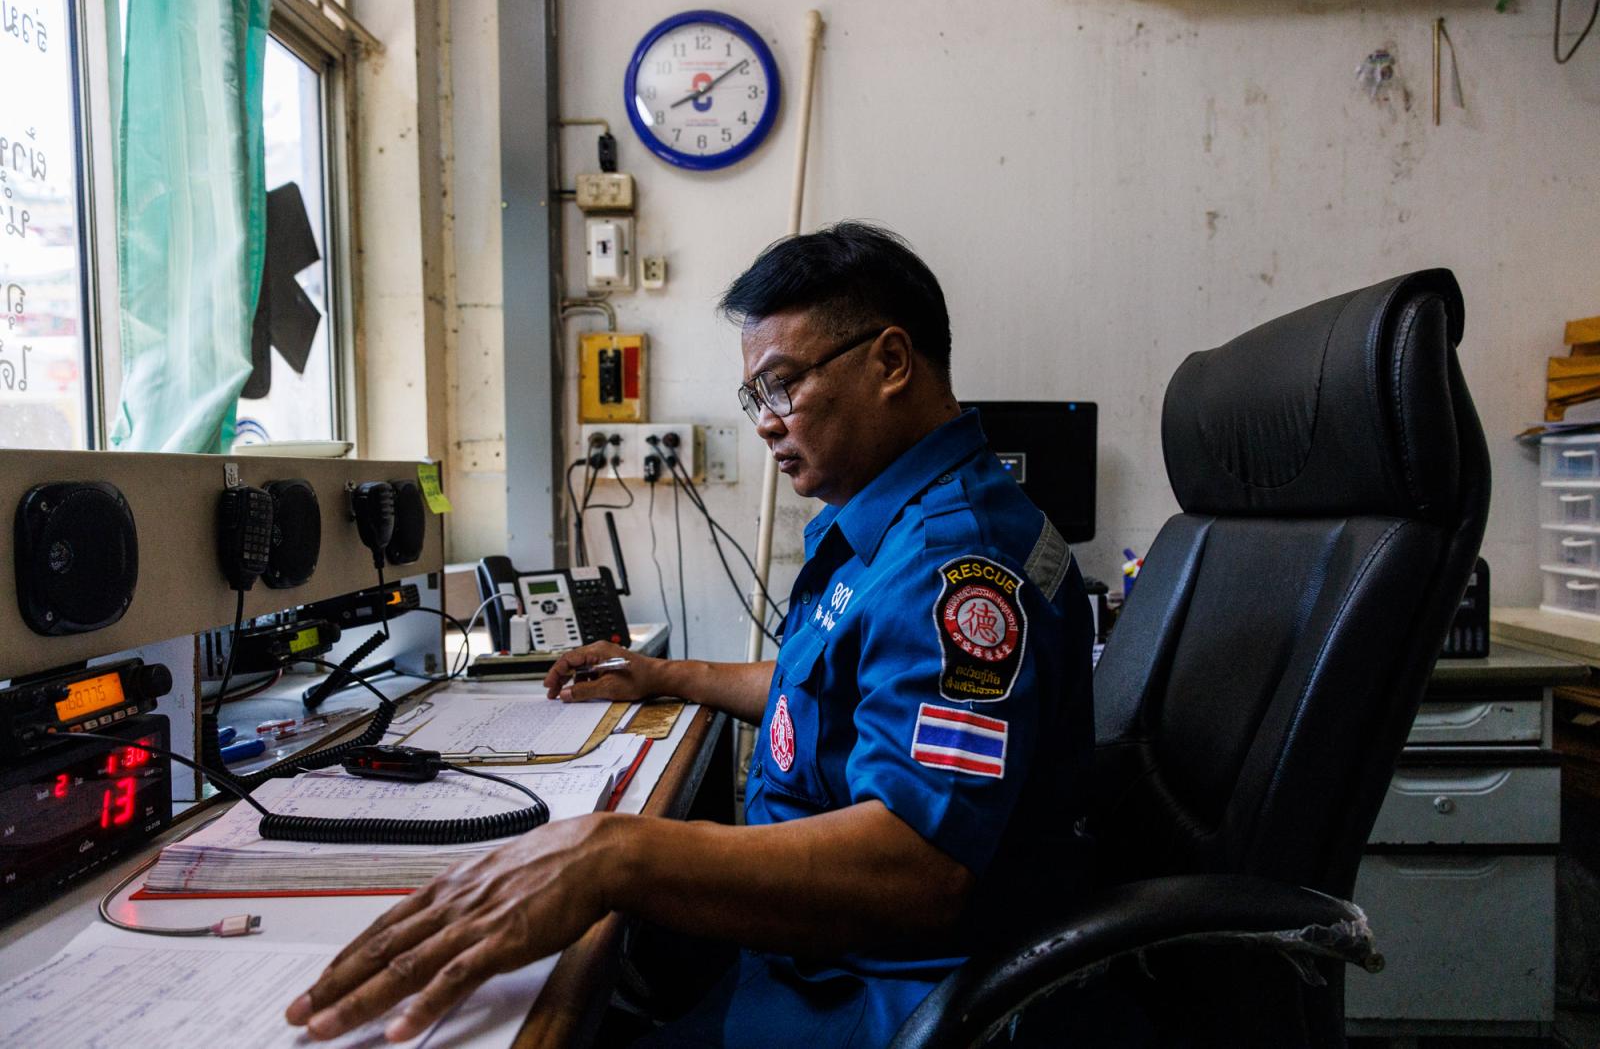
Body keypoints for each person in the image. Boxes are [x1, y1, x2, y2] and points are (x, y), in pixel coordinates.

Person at [284, 222, 1094, 1047]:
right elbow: (834, 691)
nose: (766, 424)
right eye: (756, 398)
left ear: (890, 362)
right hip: (804, 955)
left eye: (782, 386)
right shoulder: (894, 523)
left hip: (877, 998)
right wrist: (666, 676)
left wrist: (612, 854)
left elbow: (917, 866)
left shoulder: (957, 563)